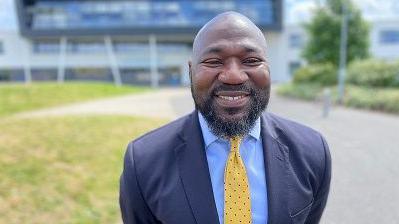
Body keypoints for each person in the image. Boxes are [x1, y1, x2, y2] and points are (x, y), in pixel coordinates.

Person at [119, 11, 331, 224]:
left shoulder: (312, 152)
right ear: (191, 71)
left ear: (268, 68)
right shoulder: (144, 162)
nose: (233, 76)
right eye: (213, 61)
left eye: (251, 60)